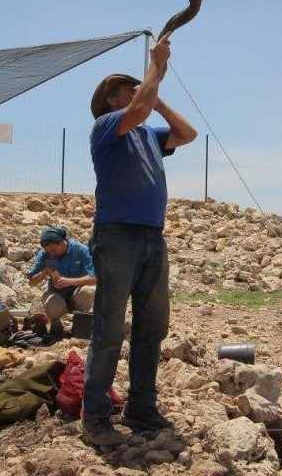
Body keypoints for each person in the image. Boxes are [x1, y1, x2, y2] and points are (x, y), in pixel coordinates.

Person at [81, 33, 197, 445]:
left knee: (152, 327)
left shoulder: (147, 135)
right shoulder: (107, 126)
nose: (137, 90)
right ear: (112, 99)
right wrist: (157, 68)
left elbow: (188, 134)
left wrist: (159, 98)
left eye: (137, 86)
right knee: (109, 329)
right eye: (128, 89)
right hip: (117, 237)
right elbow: (140, 106)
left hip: (152, 238)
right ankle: (94, 417)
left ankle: (141, 408)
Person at [27, 226, 96, 337]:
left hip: (77, 292)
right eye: (49, 252)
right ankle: (56, 326)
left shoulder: (80, 250)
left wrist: (69, 281)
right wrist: (44, 272)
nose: (52, 254)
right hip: (57, 293)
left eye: (54, 250)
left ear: (62, 242)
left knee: (88, 292)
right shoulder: (45, 254)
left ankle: (81, 326)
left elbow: (94, 278)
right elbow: (31, 282)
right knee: (52, 303)